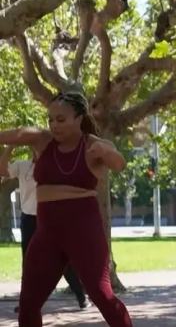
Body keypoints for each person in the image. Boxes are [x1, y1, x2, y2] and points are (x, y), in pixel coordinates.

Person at [0, 92, 131, 327]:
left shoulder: (93, 145)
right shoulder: (42, 140)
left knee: (101, 294)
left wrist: (105, 152)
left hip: (84, 231)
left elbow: (119, 164)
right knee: (29, 303)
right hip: (47, 235)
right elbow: (9, 135)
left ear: (79, 118)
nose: (54, 125)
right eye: (50, 119)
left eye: (61, 120)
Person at [0, 146, 92, 313]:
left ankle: (81, 296)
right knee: (28, 263)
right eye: (33, 146)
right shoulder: (22, 166)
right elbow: (2, 170)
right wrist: (10, 147)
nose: (37, 149)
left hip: (52, 218)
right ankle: (26, 303)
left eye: (40, 146)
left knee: (63, 261)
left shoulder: (55, 166)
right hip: (29, 219)